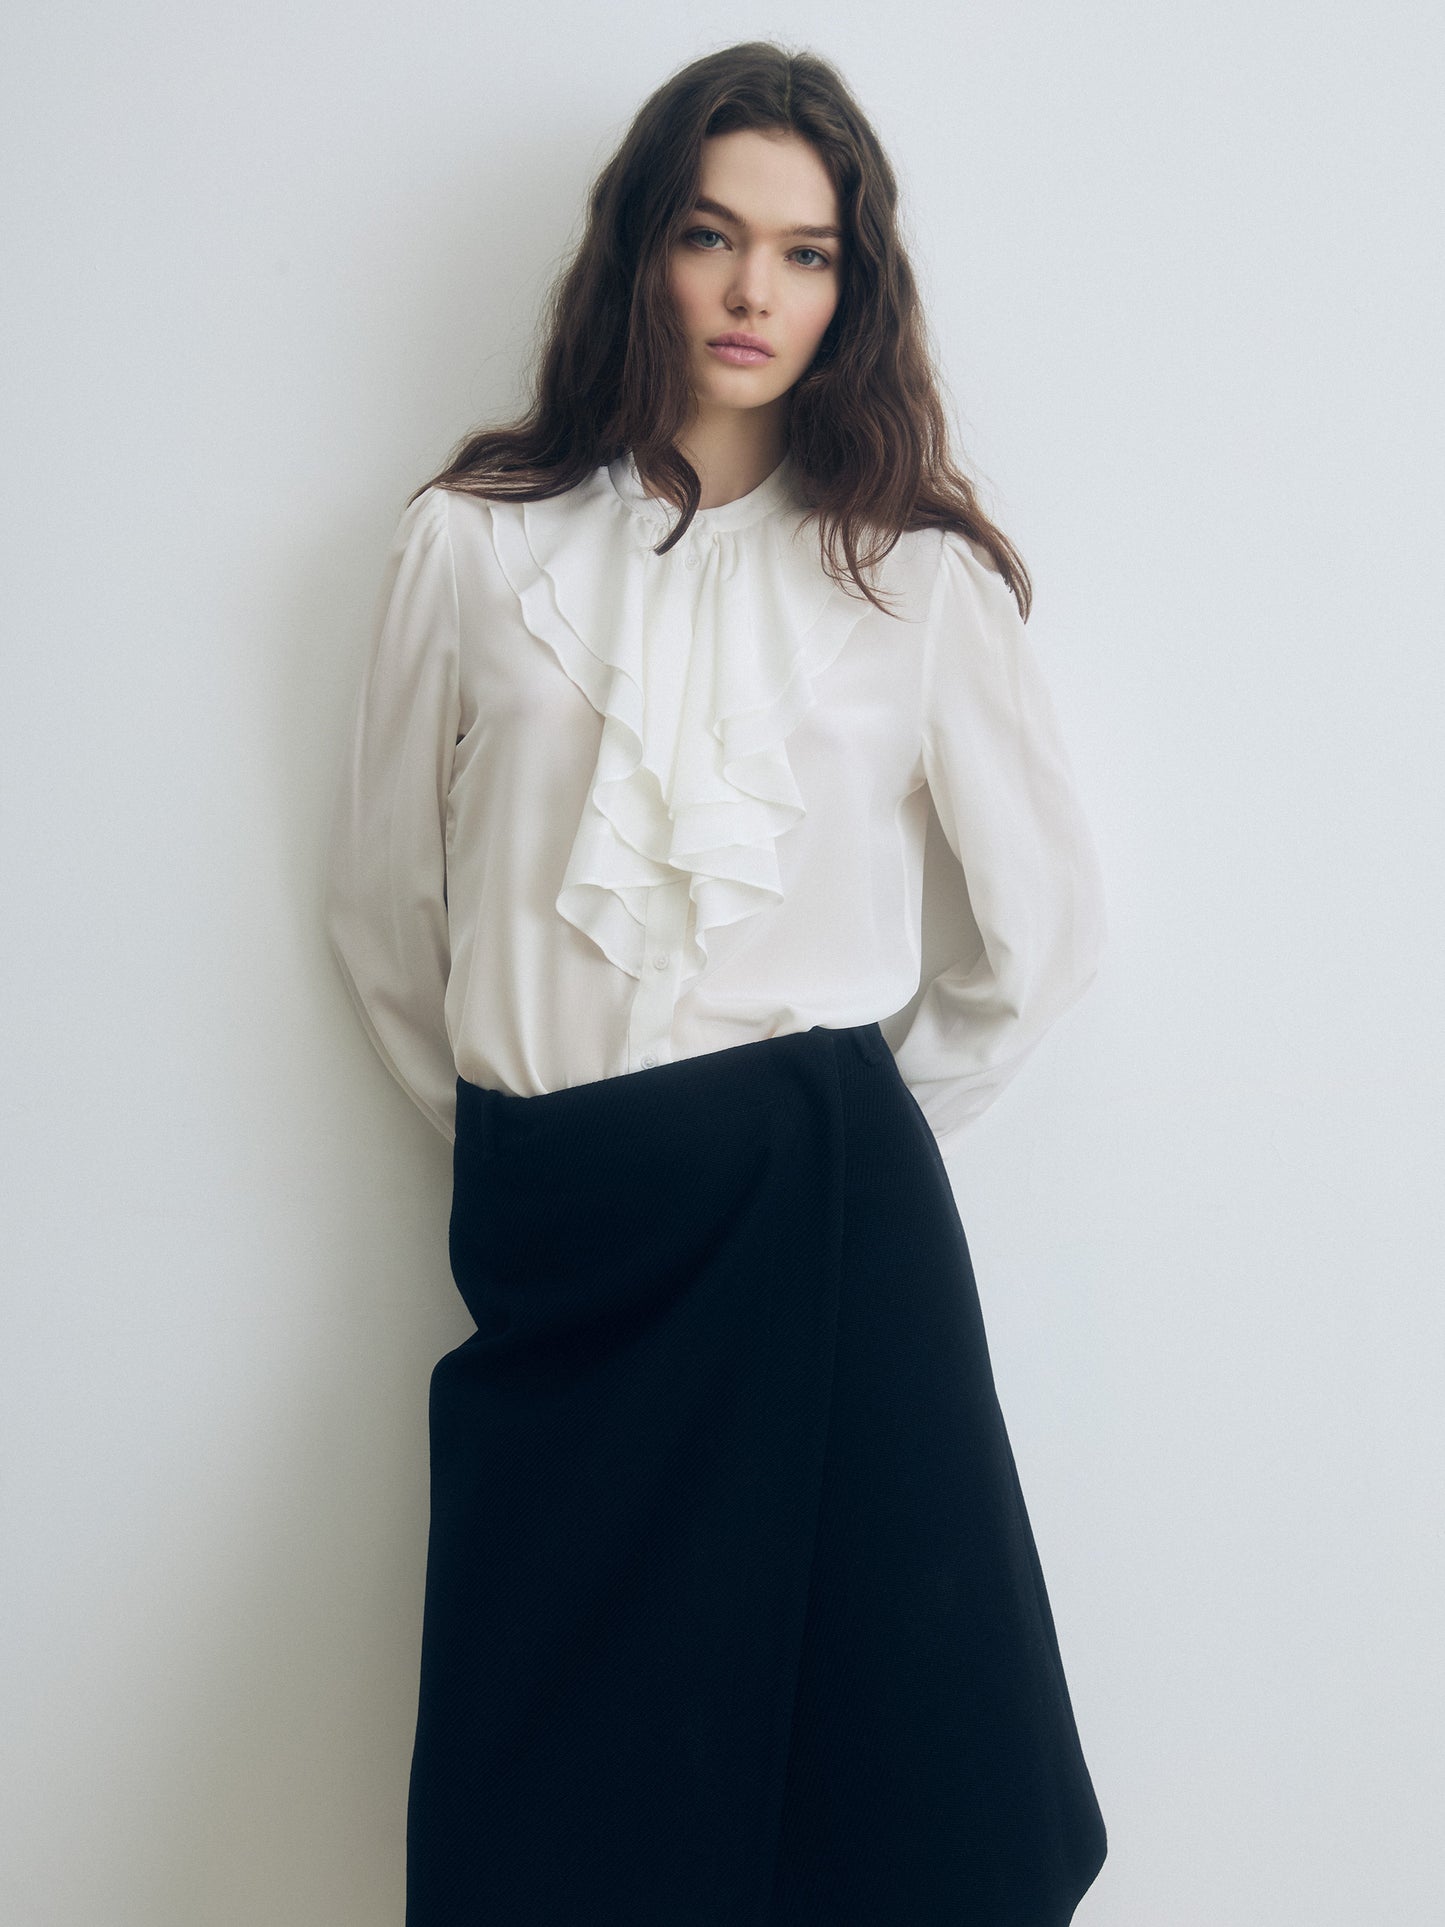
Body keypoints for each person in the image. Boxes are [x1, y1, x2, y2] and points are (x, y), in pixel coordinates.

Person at [324, 38, 1110, 1927]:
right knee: (545, 1817)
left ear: (852, 287)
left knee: (885, 1795)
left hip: (824, 1232)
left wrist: (826, 1142)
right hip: (563, 1229)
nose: (753, 289)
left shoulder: (914, 580)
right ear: (641, 252)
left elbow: (1045, 936)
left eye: (805, 252)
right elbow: (380, 917)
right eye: (710, 234)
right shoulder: (469, 541)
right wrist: (542, 1147)